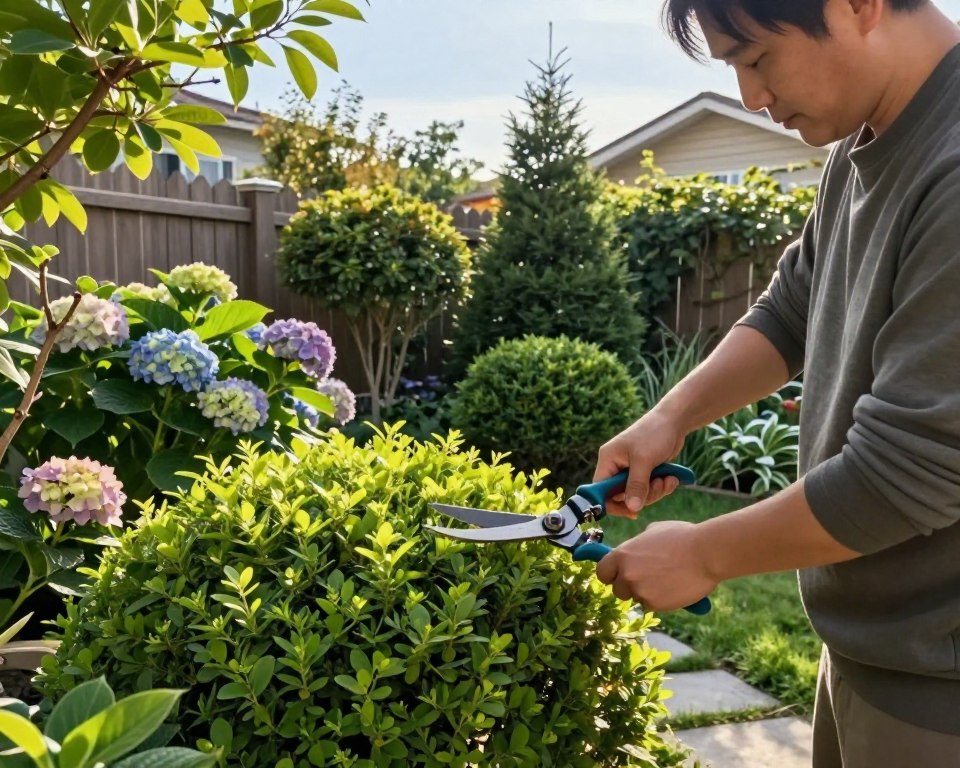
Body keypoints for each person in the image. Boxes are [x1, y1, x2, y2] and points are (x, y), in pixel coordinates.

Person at [591, 1, 960, 765]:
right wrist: (672, 414)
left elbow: (910, 472)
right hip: (873, 650)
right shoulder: (864, 143)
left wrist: (703, 554)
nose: (752, 97)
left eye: (755, 59)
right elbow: (793, 306)